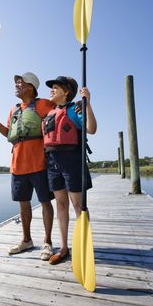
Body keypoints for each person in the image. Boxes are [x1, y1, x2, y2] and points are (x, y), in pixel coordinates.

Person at [0, 72, 55, 261]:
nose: (16, 84)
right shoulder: (14, 110)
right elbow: (9, 133)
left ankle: (48, 242)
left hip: (39, 163)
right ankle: (26, 240)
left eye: (20, 82)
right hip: (17, 165)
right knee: (23, 204)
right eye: (16, 82)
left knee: (45, 202)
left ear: (30, 87)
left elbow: (60, 113)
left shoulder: (43, 104)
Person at [42, 76, 97, 265]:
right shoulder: (49, 113)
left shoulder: (75, 109)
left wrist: (87, 103)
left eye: (55, 87)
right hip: (52, 162)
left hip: (72, 160)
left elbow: (91, 129)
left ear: (66, 92)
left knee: (78, 205)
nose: (51, 90)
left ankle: (84, 245)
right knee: (61, 205)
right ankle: (64, 247)